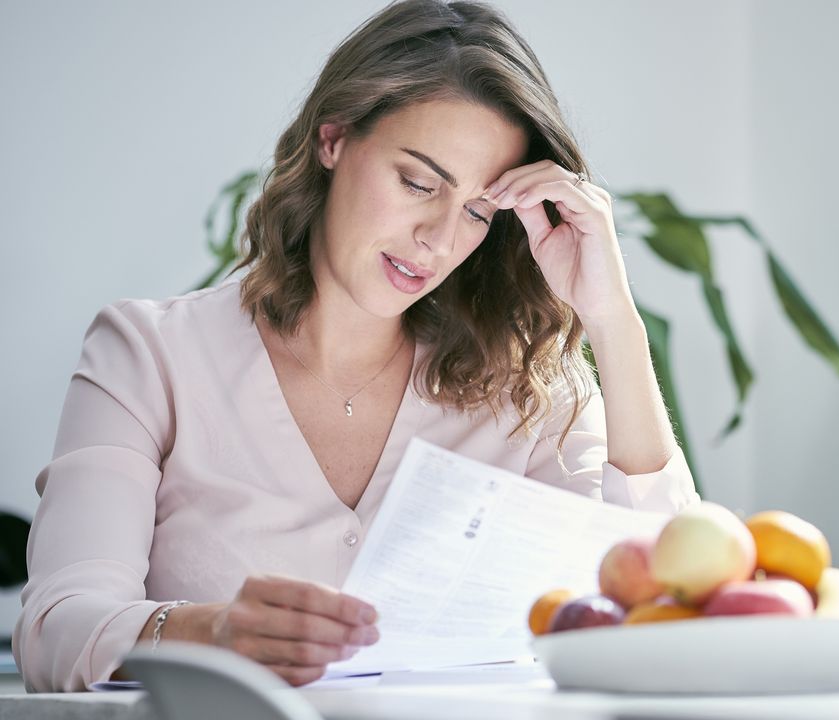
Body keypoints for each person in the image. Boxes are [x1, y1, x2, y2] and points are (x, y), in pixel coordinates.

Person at [14, 0, 698, 693]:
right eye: (418, 183)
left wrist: (613, 321)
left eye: (477, 211)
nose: (438, 236)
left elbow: (664, 593)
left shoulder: (529, 388)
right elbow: (55, 627)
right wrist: (209, 632)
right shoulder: (149, 354)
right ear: (333, 139)